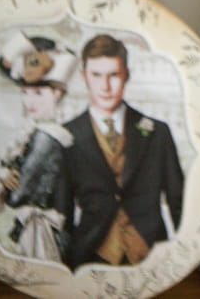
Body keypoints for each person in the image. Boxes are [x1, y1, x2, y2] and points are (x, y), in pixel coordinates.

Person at [56, 33, 184, 270]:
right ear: (84, 77)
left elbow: (179, 201)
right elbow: (62, 210)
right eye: (96, 75)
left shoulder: (158, 133)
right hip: (90, 255)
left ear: (127, 75)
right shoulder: (66, 136)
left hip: (152, 252)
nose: (105, 86)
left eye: (113, 75)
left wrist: (183, 259)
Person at [0, 30, 77, 262]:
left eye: (39, 93)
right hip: (35, 228)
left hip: (43, 232)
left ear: (58, 93)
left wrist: (3, 179)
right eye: (25, 92)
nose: (29, 101)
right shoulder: (35, 132)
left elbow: (16, 197)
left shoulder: (48, 137)